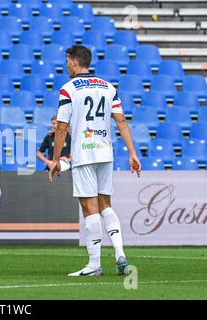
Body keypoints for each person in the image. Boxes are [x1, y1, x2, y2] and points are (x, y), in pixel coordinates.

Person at [48, 45, 141, 276]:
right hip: (105, 152)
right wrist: (132, 153)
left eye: (67, 61)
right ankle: (120, 253)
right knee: (105, 205)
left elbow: (61, 127)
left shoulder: (69, 88)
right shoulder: (108, 87)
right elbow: (121, 122)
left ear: (74, 61)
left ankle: (94, 265)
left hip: (84, 152)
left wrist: (55, 159)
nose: (66, 65)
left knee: (89, 208)